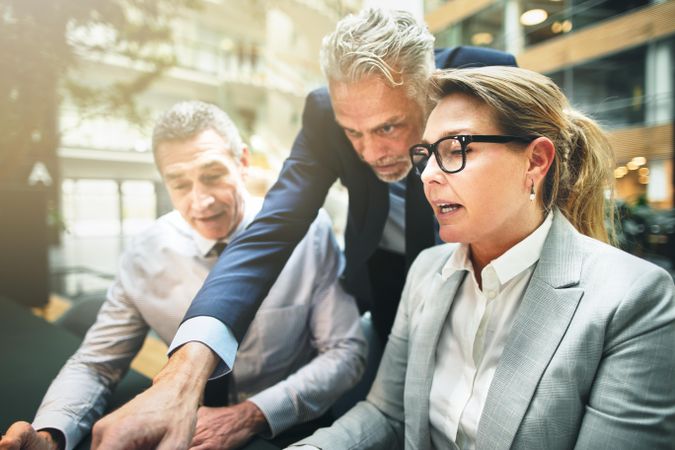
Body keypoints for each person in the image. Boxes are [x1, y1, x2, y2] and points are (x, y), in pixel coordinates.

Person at [89, 8, 517, 450]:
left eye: (388, 127)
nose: (371, 153)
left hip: (490, 273)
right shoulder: (323, 112)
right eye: (353, 133)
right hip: (390, 279)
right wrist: (183, 373)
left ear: (426, 90)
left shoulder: (489, 79)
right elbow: (272, 230)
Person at [292, 66, 675, 449]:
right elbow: (387, 413)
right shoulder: (427, 270)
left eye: (456, 149)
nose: (426, 176)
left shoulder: (633, 300)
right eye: (426, 154)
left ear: (536, 161)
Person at [0, 101, 366, 450]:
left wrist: (249, 416)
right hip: (184, 433)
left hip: (284, 431)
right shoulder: (145, 253)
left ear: (242, 162)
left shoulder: (308, 232)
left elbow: (346, 352)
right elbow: (97, 365)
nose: (200, 201)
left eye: (212, 175)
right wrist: (50, 433)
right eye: (179, 184)